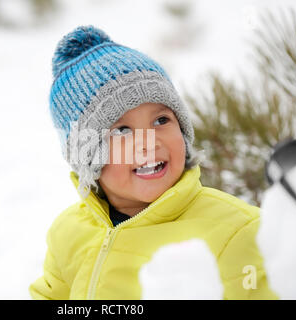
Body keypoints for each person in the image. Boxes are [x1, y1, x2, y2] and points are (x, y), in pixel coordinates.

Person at [29, 25, 278, 300]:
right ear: (88, 156)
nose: (148, 142)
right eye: (121, 130)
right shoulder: (68, 232)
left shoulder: (237, 230)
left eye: (161, 120)